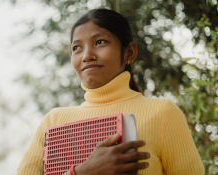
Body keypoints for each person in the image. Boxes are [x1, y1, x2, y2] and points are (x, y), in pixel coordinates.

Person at [16, 8, 204, 175]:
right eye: (77, 48)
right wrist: (82, 173)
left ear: (129, 52)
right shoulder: (53, 121)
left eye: (99, 42)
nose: (87, 55)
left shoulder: (163, 113)